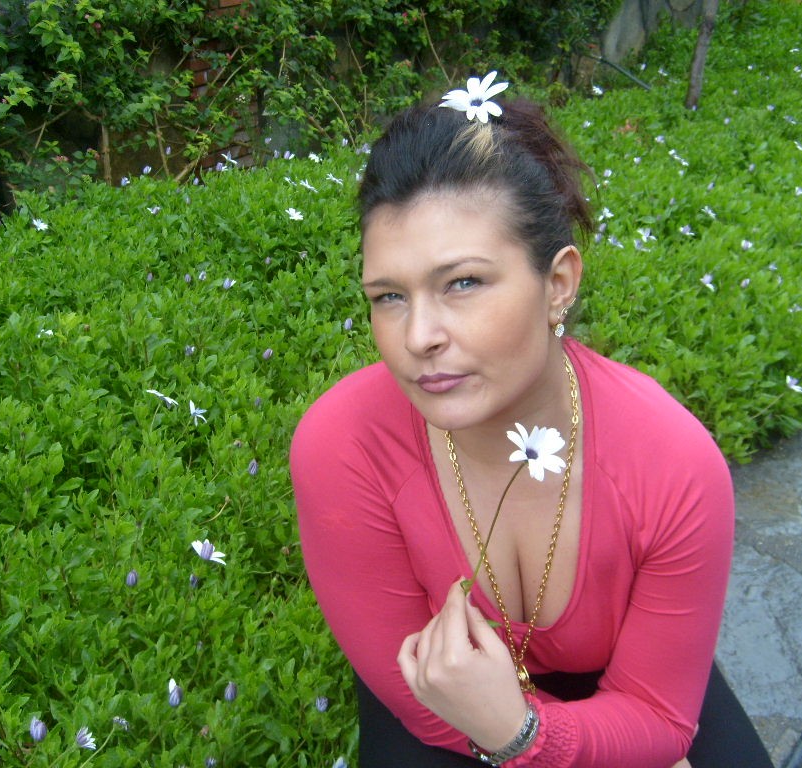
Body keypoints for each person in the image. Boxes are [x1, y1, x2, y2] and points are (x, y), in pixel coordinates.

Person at [290, 72, 773, 768]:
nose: (418, 337)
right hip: (440, 694)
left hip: (606, 685)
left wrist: (527, 734)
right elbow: (410, 686)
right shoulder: (343, 445)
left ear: (558, 284)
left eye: (463, 283)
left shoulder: (673, 466)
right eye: (389, 296)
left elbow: (658, 715)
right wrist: (509, 730)